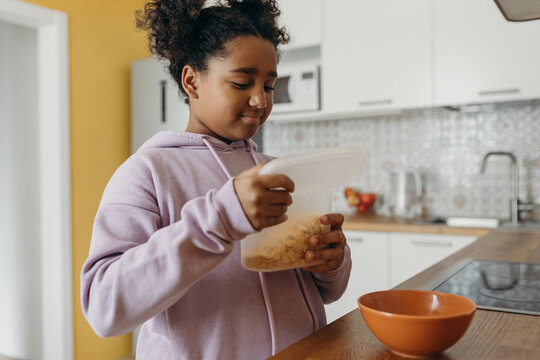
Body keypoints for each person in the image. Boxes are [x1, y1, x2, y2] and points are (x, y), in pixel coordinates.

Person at [81, 1, 352, 359]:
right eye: (242, 82)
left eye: (269, 86)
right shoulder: (148, 171)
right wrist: (221, 217)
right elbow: (104, 308)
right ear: (192, 81)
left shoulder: (276, 169)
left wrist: (331, 262)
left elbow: (323, 291)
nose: (259, 100)